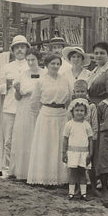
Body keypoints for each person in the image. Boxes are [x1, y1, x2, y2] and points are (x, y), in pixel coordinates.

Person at [27, 54, 72, 186]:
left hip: (61, 115)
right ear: (46, 65)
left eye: (58, 64)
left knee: (60, 145)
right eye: (52, 63)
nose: (55, 66)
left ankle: (61, 178)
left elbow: (69, 97)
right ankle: (44, 178)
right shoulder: (41, 81)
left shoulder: (65, 80)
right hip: (46, 114)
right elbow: (34, 101)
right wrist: (39, 116)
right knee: (46, 146)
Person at [9, 48, 45, 180]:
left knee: (36, 137)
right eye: (28, 60)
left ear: (38, 60)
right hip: (24, 108)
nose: (30, 62)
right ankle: (22, 171)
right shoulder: (23, 74)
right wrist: (17, 90)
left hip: (38, 108)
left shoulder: (44, 73)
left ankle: (36, 172)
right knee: (24, 138)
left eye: (33, 60)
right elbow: (17, 97)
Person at [0, 35, 30, 179]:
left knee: (24, 138)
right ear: (13, 50)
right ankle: (7, 170)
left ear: (26, 49)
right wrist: (6, 85)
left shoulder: (31, 66)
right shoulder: (6, 67)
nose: (19, 50)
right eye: (17, 47)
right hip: (9, 107)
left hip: (25, 107)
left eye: (22, 47)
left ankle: (22, 170)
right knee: (8, 140)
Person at [68, 79, 99, 196]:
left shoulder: (91, 107)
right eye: (77, 91)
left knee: (90, 163)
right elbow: (69, 122)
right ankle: (76, 187)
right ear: (74, 92)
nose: (80, 93)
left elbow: (95, 125)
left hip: (88, 140)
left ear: (87, 92)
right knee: (76, 165)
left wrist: (93, 140)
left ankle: (93, 187)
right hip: (75, 140)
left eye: (82, 91)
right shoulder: (72, 106)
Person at [63, 98, 94, 200]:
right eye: (77, 110)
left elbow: (90, 139)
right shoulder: (69, 124)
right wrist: (64, 153)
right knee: (73, 173)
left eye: (81, 111)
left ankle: (83, 194)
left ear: (85, 113)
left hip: (84, 153)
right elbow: (65, 139)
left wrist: (90, 153)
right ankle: (71, 193)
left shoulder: (87, 125)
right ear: (72, 111)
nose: (79, 113)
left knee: (82, 173)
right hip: (72, 152)